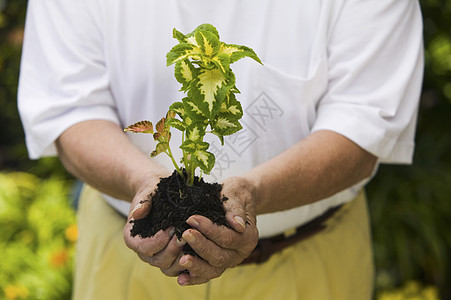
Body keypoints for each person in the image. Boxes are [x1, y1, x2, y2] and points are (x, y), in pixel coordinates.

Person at [18, 0, 424, 299]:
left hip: (309, 261)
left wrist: (253, 193)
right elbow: (70, 109)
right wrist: (142, 181)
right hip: (126, 262)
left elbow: (364, 124)